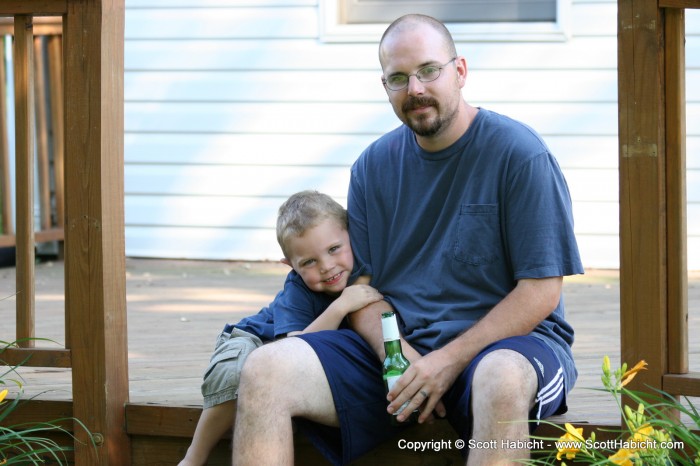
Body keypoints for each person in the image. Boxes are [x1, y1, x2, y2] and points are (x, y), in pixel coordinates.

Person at [232, 13, 583, 466]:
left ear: (459, 71)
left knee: (502, 378)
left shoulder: (520, 155)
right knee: (265, 368)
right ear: (385, 87)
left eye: (428, 71)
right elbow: (363, 291)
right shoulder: (372, 167)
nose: (414, 88)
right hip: (400, 352)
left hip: (505, 347)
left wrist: (446, 362)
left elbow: (541, 291)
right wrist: (404, 364)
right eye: (398, 78)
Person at [178, 190, 383, 466]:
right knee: (234, 375)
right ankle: (193, 458)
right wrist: (340, 307)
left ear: (351, 237)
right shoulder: (297, 290)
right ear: (291, 265)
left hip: (278, 360)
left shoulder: (362, 270)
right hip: (251, 340)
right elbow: (294, 347)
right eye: (309, 262)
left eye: (334, 249)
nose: (327, 266)